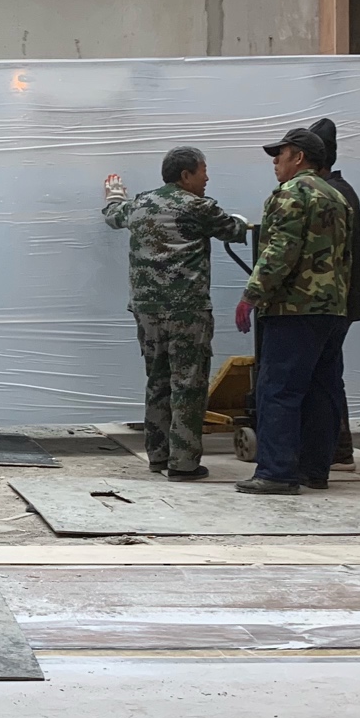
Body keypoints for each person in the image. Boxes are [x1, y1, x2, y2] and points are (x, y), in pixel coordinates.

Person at [101, 147, 251, 479]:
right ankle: (183, 463)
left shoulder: (141, 203)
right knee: (188, 383)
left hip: (146, 310)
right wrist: (242, 222)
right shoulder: (199, 207)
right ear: (186, 175)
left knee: (157, 381)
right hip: (187, 310)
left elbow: (114, 216)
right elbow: (234, 230)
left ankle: (158, 456)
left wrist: (114, 195)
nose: (207, 177)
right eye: (203, 171)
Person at [235, 126, 352, 496]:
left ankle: (277, 473)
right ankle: (314, 470)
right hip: (332, 309)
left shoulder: (292, 192)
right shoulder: (336, 196)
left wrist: (251, 295)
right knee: (323, 389)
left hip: (294, 307)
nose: (275, 161)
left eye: (280, 154)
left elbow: (281, 249)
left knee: (278, 389)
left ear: (299, 157)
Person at [310, 117, 360, 470]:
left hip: (331, 301)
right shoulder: (339, 190)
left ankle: (337, 446)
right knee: (327, 372)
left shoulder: (331, 194)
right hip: (338, 300)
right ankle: (336, 446)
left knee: (324, 374)